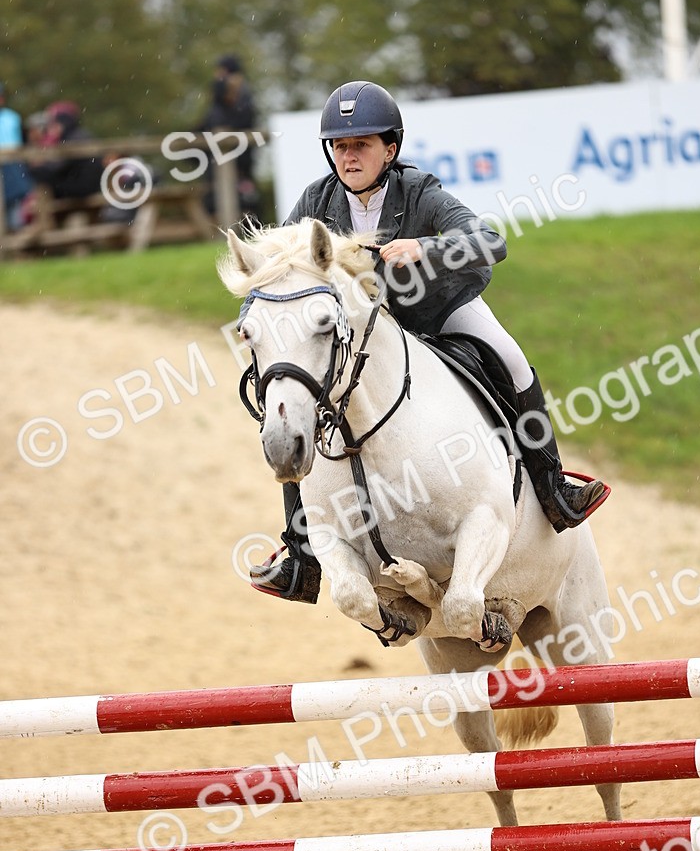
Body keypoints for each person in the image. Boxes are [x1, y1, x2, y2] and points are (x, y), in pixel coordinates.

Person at [251, 80, 607, 603]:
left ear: (389, 149)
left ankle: (553, 487)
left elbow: (491, 241)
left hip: (439, 311)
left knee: (512, 360)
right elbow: (275, 273)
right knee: (291, 409)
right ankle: (301, 556)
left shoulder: (420, 192)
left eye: (361, 145)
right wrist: (254, 317)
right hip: (368, 336)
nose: (348, 157)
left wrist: (426, 249)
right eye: (340, 146)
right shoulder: (315, 202)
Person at [199, 54, 260, 220]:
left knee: (242, 200)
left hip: (236, 158)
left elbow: (240, 120)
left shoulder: (240, 94)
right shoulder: (240, 94)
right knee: (234, 199)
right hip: (231, 156)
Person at [26, 102, 104, 200]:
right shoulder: (79, 135)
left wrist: (37, 167)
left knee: (42, 177)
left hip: (83, 190)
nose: (51, 127)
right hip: (90, 186)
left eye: (53, 123)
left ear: (62, 123)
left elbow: (57, 168)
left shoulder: (73, 139)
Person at [0, 82, 33, 230]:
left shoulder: (12, 118)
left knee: (16, 201)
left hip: (13, 165)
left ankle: (16, 236)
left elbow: (23, 143)